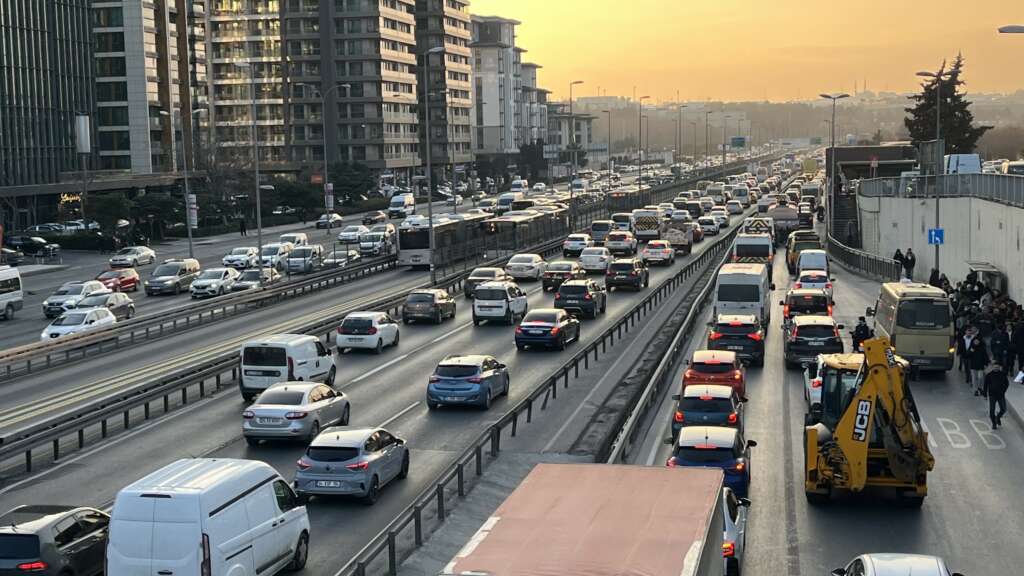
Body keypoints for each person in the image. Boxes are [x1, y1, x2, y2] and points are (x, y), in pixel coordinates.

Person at [984, 362, 1009, 429]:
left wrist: (1003, 391)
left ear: (999, 367)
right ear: (993, 367)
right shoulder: (989, 375)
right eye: (995, 367)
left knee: (1003, 409)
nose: (996, 368)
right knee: (992, 411)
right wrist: (985, 394)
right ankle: (994, 423)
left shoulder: (1002, 374)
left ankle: (998, 417)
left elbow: (1007, 383)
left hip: (1000, 395)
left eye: (997, 367)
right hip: (992, 395)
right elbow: (985, 385)